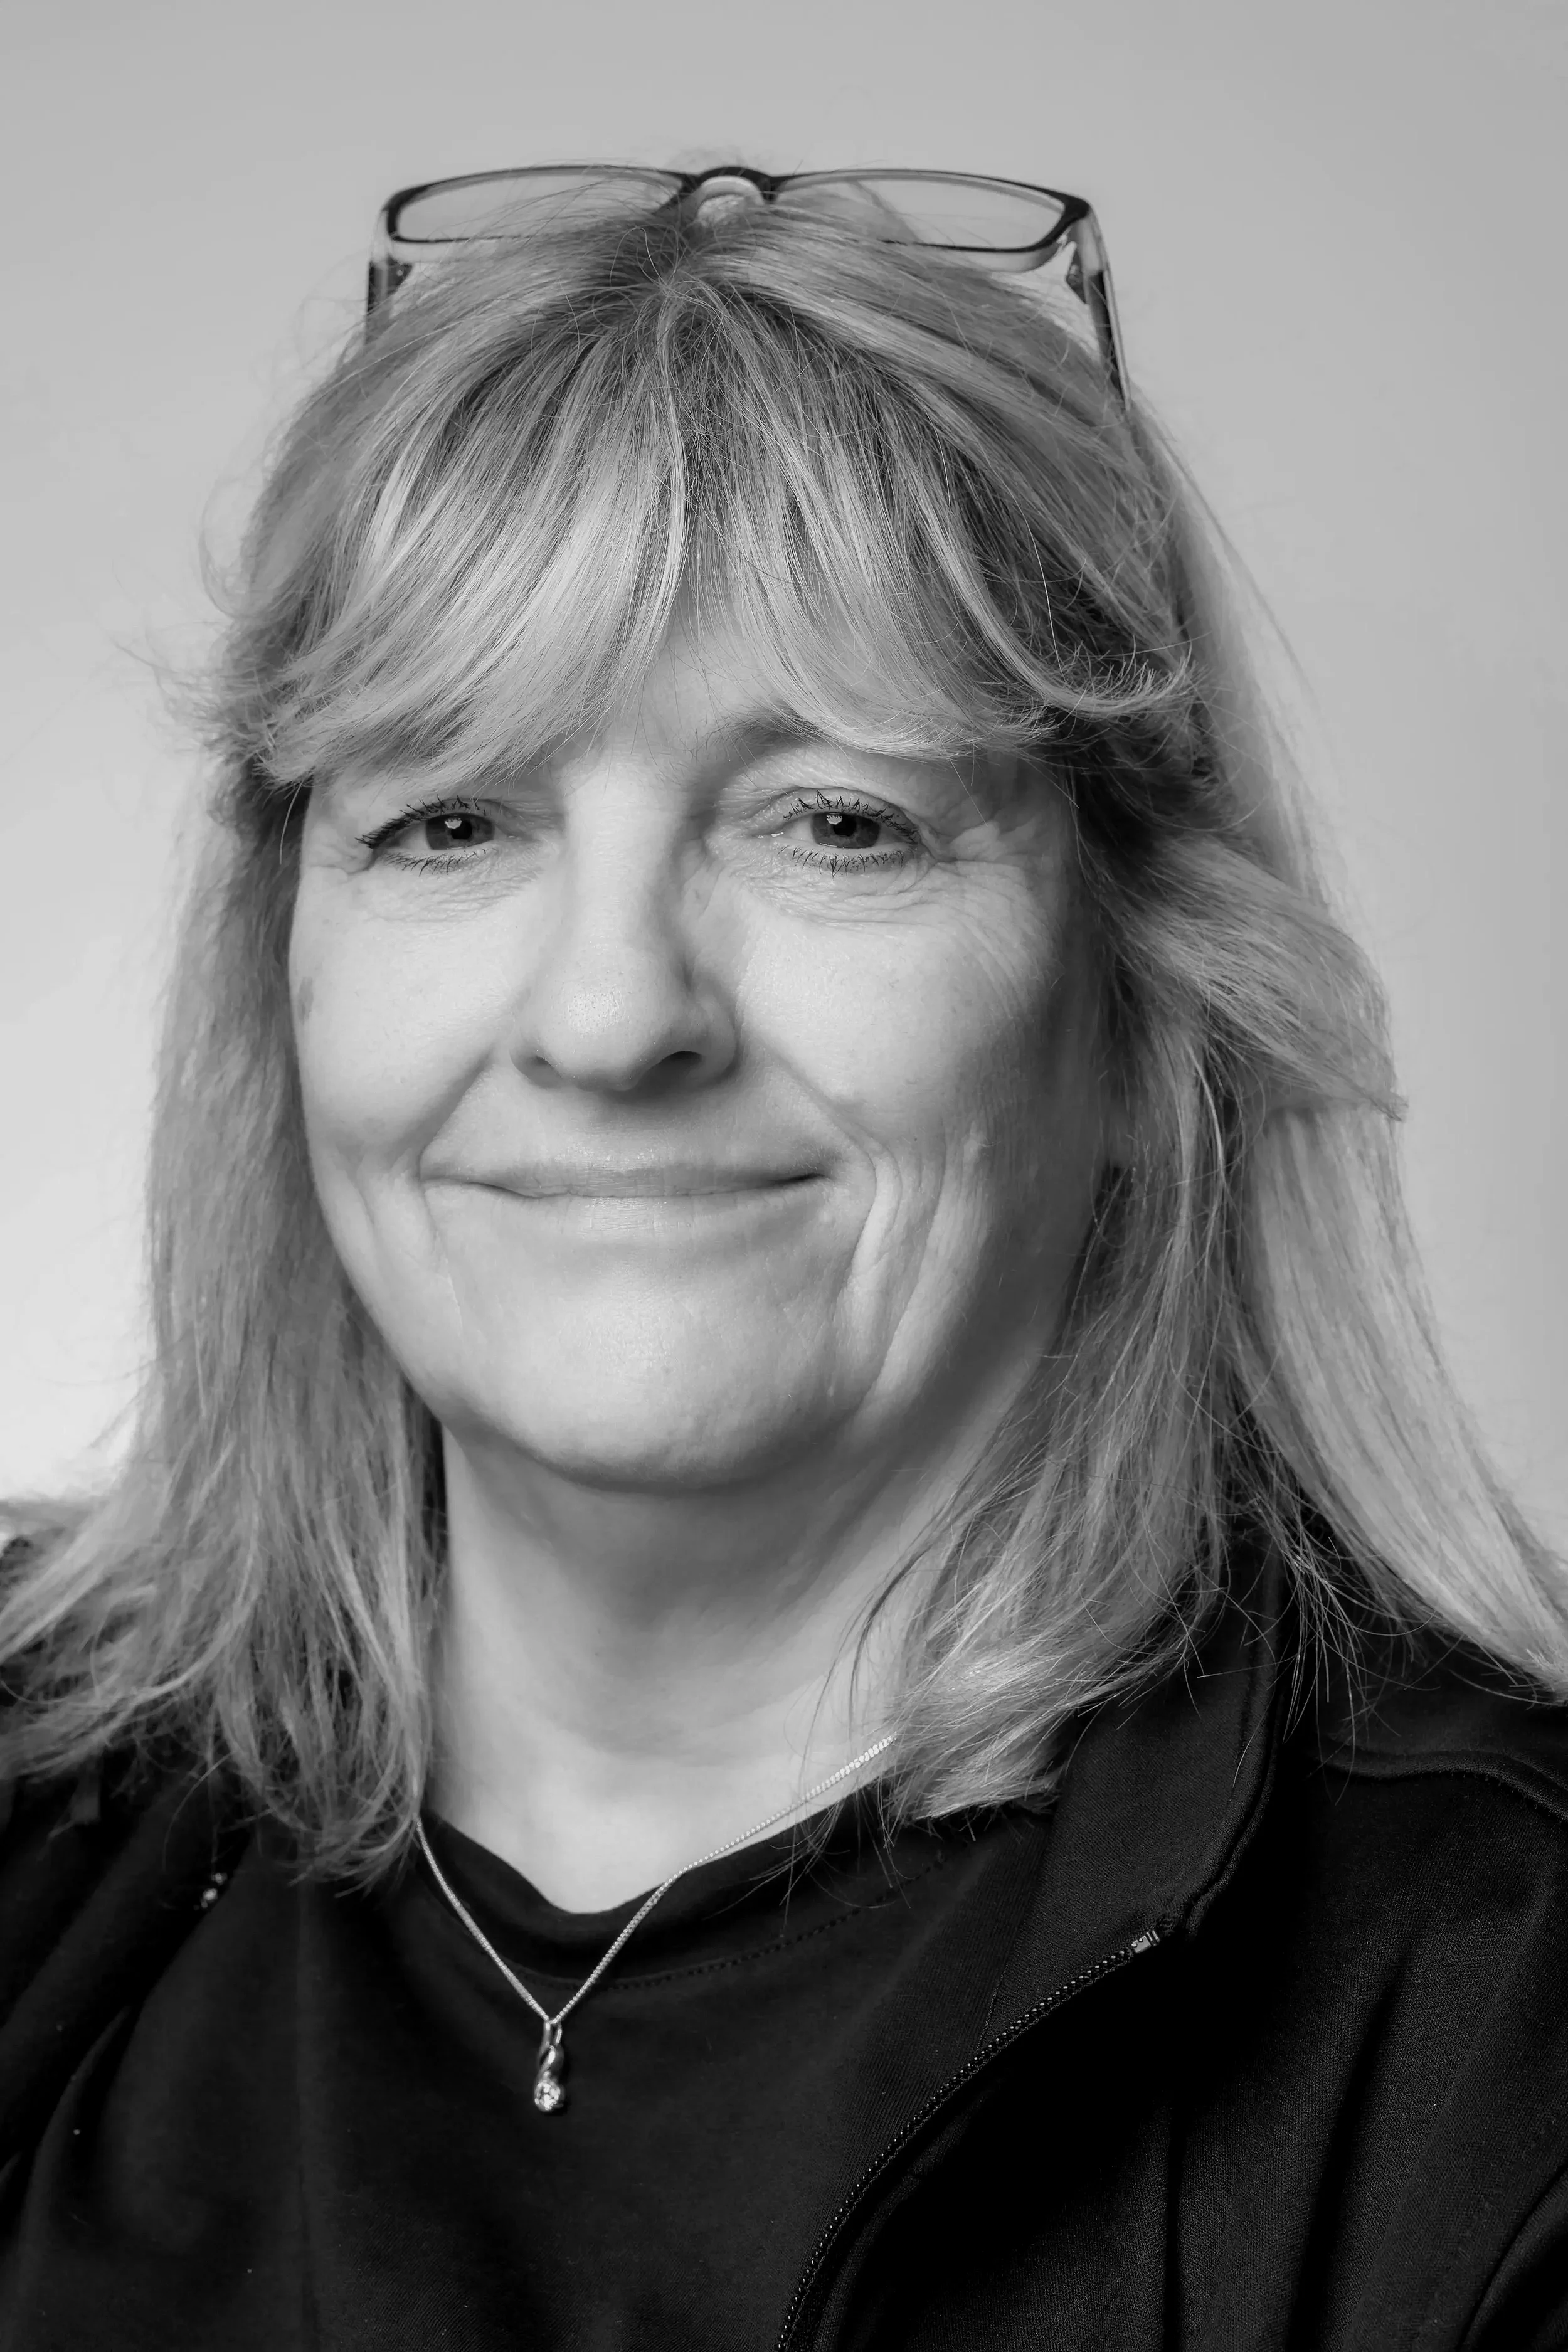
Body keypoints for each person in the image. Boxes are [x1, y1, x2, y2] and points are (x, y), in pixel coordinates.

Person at [0, 162, 1564, 2351]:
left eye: (840, 820)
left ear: (1146, 1005)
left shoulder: (1495, 2017)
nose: (608, 1015)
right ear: (286, 980)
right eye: (448, 817)